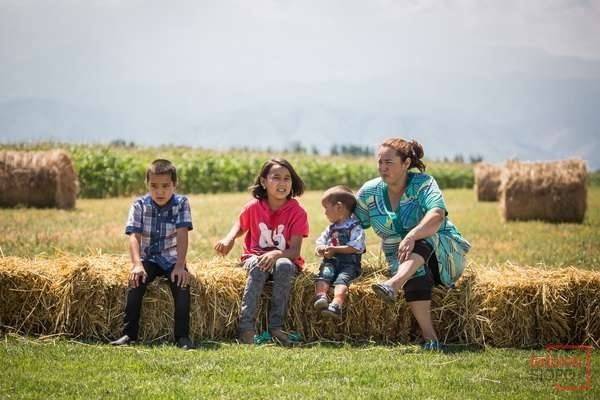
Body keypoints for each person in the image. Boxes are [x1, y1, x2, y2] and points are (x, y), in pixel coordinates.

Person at [355, 138, 471, 350]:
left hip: (443, 254)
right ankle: (432, 340)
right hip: (402, 260)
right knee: (413, 271)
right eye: (379, 162)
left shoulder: (424, 184)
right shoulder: (369, 192)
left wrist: (412, 235)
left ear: (406, 163)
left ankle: (393, 284)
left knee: (421, 239)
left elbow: (436, 215)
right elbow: (353, 223)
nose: (382, 168)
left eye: (388, 162)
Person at [214, 158, 309, 346]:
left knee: (283, 266)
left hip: (285, 259)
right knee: (258, 266)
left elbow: (294, 251)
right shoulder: (254, 207)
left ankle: (276, 327)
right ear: (264, 182)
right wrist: (229, 238)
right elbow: (240, 224)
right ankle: (246, 328)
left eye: (287, 178)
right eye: (276, 178)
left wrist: (276, 254)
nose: (282, 183)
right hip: (254, 257)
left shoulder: (297, 212)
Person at [110, 159, 194, 350]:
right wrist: (137, 264)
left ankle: (182, 336)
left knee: (182, 285)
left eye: (165, 186)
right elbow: (134, 236)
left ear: (174, 184)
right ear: (147, 184)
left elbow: (182, 234)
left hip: (171, 257)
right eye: (154, 186)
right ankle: (129, 334)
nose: (160, 191)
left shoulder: (181, 203)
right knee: (136, 282)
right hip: (147, 257)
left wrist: (180, 265)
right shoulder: (139, 205)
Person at [313, 185, 365, 319]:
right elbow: (320, 241)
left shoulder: (355, 227)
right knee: (324, 275)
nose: (325, 213)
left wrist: (334, 249)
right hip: (331, 262)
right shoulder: (331, 228)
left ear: (339, 207)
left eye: (326, 208)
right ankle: (321, 297)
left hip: (349, 265)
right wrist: (320, 248)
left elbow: (356, 247)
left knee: (342, 281)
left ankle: (336, 304)